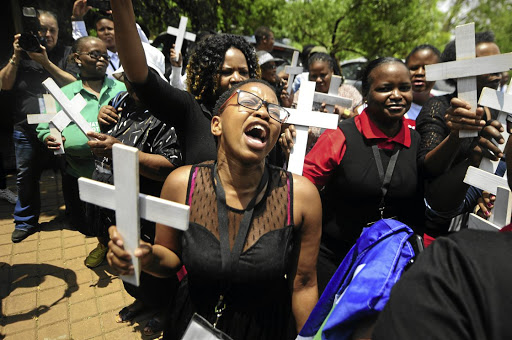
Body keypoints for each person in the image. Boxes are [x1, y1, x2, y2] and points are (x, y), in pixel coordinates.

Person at [107, 79, 322, 340]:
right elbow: (170, 257)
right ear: (216, 124)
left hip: (265, 327)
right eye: (249, 102)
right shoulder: (180, 184)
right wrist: (144, 257)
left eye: (274, 111)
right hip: (192, 320)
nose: (263, 113)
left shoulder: (302, 196)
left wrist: (307, 337)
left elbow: (304, 283)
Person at [302, 57, 425, 293]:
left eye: (404, 88)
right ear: (366, 94)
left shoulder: (418, 142)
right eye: (385, 88)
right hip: (333, 260)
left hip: (386, 265)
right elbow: (304, 188)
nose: (397, 95)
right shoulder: (339, 136)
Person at [84, 42, 182, 336]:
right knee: (124, 258)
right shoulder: (120, 102)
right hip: (115, 202)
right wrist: (100, 134)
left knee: (152, 263)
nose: (128, 84)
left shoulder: (170, 110)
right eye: (125, 78)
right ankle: (142, 301)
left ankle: (166, 310)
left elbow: (170, 166)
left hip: (149, 207)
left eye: (134, 78)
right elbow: (106, 141)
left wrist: (120, 151)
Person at [110, 0, 260, 165]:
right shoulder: (191, 111)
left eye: (244, 72)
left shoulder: (263, 118)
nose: (237, 78)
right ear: (208, 75)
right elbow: (140, 77)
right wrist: (121, 5)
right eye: (226, 72)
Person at [416, 31, 505, 241]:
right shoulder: (438, 107)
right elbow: (427, 167)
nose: (497, 74)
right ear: (459, 71)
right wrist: (456, 138)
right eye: (487, 65)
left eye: (499, 64)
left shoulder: (500, 110)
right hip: (439, 230)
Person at [1, 10, 78, 243]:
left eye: (52, 30)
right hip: (25, 126)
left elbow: (74, 83)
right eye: (42, 30)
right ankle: (25, 221)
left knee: (68, 171)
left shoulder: (65, 52)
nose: (47, 34)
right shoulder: (19, 53)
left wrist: (44, 61)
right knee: (26, 176)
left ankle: (74, 215)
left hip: (60, 124)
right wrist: (16, 57)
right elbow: (4, 85)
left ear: (58, 32)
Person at [36, 36, 125, 239]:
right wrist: (49, 137)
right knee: (85, 224)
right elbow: (44, 127)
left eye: (105, 55)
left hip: (116, 175)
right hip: (77, 174)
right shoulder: (59, 94)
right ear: (77, 58)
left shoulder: (121, 88)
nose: (101, 59)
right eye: (94, 54)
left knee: (118, 222)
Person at [70, 0, 149, 78]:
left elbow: (144, 46)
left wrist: (125, 17)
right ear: (97, 33)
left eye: (110, 28)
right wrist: (77, 18)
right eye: (101, 29)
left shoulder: (131, 52)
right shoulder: (96, 58)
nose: (106, 32)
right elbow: (82, 43)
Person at [404, 44, 441, 128]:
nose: (420, 73)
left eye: (427, 68)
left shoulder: (444, 108)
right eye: (414, 68)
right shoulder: (392, 107)